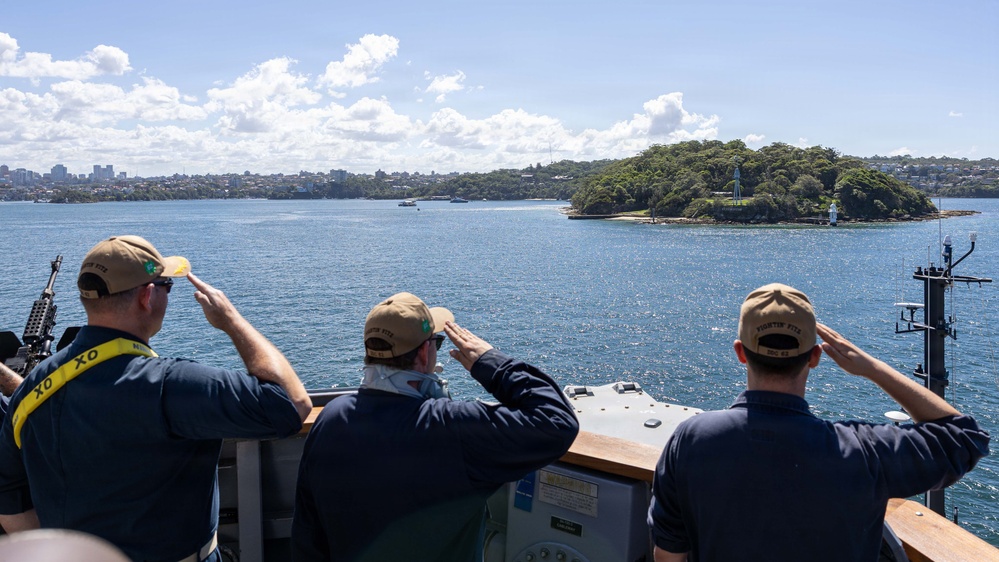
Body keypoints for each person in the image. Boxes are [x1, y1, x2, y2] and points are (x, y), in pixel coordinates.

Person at [0, 235, 312, 561]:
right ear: (147, 297)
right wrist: (231, 320)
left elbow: (8, 501)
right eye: (166, 286)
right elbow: (292, 405)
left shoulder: (30, 392)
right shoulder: (168, 385)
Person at [648, 283, 990, 562]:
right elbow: (965, 437)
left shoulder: (691, 440)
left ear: (740, 352)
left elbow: (669, 555)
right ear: (815, 357)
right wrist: (871, 367)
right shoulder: (864, 451)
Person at [292, 292, 579, 562]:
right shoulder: (453, 429)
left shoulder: (330, 420)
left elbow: (308, 534)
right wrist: (491, 362)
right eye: (436, 343)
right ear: (424, 354)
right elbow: (557, 421)